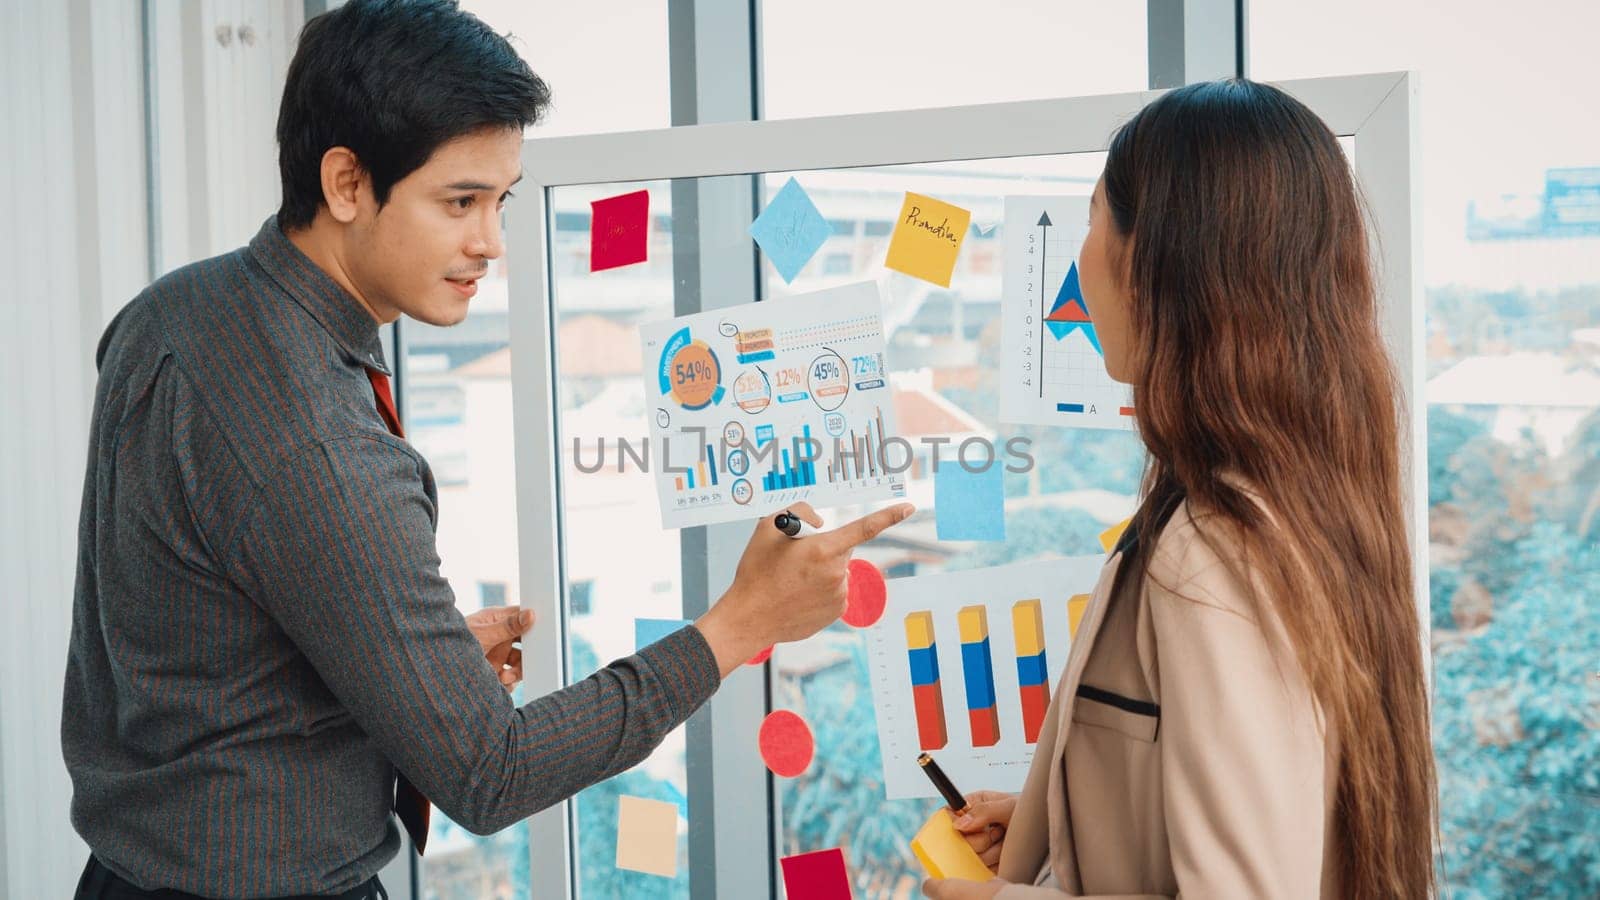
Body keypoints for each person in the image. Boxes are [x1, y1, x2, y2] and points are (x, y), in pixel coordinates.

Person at [61, 2, 911, 897]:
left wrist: (397, 654)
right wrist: (744, 622)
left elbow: (201, 623)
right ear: (348, 183)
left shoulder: (172, 311)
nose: (490, 245)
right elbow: (490, 773)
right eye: (459, 202)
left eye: (499, 202)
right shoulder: (321, 443)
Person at [923, 78, 1436, 899]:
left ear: (1154, 261)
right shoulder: (1306, 507)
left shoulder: (1213, 553)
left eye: (1092, 223)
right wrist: (1056, 812)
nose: (1077, 269)